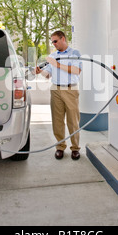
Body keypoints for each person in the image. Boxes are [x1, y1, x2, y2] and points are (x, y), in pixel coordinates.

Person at [36, 31, 82, 160]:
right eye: (52, 42)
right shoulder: (53, 56)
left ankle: (75, 148)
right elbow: (48, 75)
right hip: (55, 90)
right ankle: (60, 147)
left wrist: (56, 64)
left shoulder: (75, 54)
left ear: (63, 39)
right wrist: (40, 72)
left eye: (55, 41)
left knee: (73, 121)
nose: (54, 44)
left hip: (70, 90)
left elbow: (76, 70)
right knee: (57, 121)